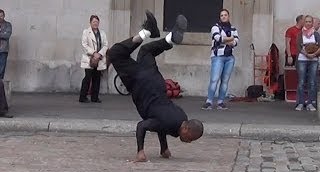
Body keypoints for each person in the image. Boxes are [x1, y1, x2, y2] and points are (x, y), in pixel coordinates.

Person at [108, 10, 203, 162]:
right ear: (186, 129)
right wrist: (140, 152)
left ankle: (165, 37)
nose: (189, 142)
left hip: (156, 81)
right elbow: (142, 126)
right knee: (114, 54)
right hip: (141, 85)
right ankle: (151, 32)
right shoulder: (171, 124)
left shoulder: (182, 117)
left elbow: (162, 128)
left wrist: (164, 149)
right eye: (190, 138)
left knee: (146, 51)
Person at [201, 9, 239, 110]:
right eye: (221, 15)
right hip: (217, 56)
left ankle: (220, 102)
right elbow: (218, 38)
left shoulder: (233, 28)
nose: (223, 17)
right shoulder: (215, 27)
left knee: (225, 81)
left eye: (225, 15)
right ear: (220, 17)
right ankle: (209, 101)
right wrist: (230, 39)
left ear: (228, 16)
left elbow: (236, 42)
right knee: (214, 80)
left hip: (229, 58)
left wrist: (227, 40)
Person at [79, 15, 108, 103]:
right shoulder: (86, 32)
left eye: (97, 22)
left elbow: (105, 45)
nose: (95, 23)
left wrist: (100, 54)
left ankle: (94, 97)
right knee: (87, 78)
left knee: (97, 78)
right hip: (89, 58)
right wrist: (94, 53)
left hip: (99, 58)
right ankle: (82, 97)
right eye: (94, 22)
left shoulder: (102, 33)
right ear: (90, 22)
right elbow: (84, 45)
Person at [295, 15, 320, 111]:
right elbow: (298, 47)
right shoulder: (300, 34)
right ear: (304, 23)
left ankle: (311, 103)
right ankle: (300, 102)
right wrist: (306, 54)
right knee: (301, 81)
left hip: (313, 60)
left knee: (312, 82)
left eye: (310, 21)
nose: (308, 23)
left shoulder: (316, 35)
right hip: (302, 60)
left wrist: (314, 54)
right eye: (306, 21)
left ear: (312, 23)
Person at [0, 9, 12, 79]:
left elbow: (7, 35)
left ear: (4, 16)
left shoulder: (8, 25)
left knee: (1, 69)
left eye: (1, 16)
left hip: (3, 50)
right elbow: (4, 34)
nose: (0, 17)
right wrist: (2, 33)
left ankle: (0, 86)